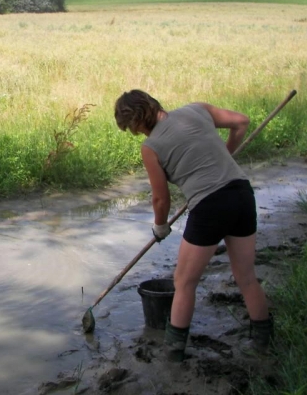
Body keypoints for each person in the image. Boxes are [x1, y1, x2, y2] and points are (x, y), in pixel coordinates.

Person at [114, 89, 273, 362]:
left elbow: (160, 199)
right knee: (246, 276)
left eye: (132, 128)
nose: (135, 134)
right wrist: (226, 154)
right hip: (242, 195)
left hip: (210, 206)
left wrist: (161, 227)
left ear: (138, 120)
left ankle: (174, 353)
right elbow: (241, 122)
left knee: (184, 281)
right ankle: (264, 343)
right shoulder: (196, 109)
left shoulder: (151, 147)